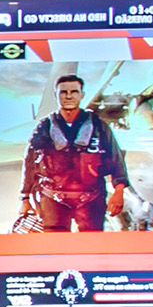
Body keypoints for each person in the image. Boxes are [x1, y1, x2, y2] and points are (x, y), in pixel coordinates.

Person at [22, 72, 130, 232]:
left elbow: (116, 160)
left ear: (82, 95)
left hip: (91, 200)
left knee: (91, 248)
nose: (68, 96)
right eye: (63, 92)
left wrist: (118, 192)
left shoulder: (100, 128)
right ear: (55, 95)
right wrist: (24, 198)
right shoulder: (44, 128)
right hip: (53, 199)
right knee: (54, 249)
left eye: (74, 92)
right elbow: (30, 163)